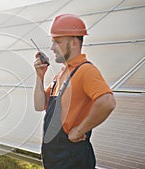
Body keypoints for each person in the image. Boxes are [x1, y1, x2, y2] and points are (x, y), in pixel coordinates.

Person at [33, 14, 116, 169]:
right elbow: (39, 105)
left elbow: (107, 102)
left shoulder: (85, 71)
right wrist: (39, 77)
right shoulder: (62, 75)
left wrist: (79, 130)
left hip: (72, 160)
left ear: (74, 43)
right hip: (56, 158)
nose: (52, 48)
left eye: (57, 42)